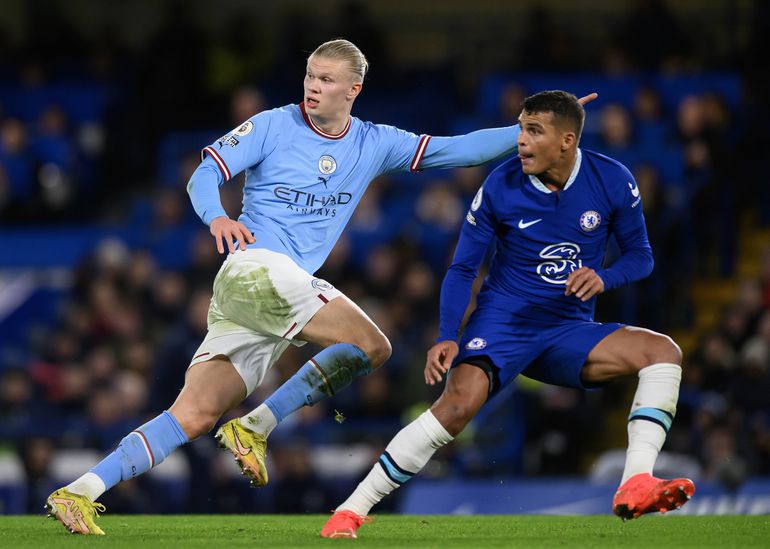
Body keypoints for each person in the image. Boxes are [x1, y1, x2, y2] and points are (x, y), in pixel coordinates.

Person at [44, 40, 596, 535]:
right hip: (254, 269)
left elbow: (459, 149)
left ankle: (81, 491)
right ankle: (259, 424)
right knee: (373, 345)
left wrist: (526, 132)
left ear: (354, 89)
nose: (313, 86)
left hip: (267, 293)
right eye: (310, 75)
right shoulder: (271, 125)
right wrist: (216, 216)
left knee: (193, 415)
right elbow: (202, 175)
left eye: (327, 79)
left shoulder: (375, 143)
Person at [320, 90, 695, 539]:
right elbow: (462, 268)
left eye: (533, 131)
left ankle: (635, 481)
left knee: (662, 352)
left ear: (567, 140)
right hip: (502, 325)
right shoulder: (500, 185)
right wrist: (446, 334)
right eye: (520, 128)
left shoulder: (612, 180)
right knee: (455, 409)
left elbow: (641, 257)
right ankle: (350, 510)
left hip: (567, 329)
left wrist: (604, 277)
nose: (520, 140)